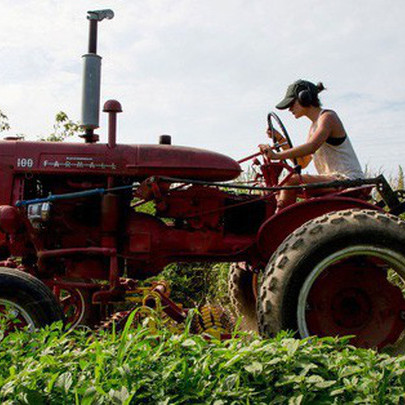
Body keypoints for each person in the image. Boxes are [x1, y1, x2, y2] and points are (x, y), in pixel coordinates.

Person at [259, 79, 364, 211]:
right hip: (332, 179)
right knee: (276, 187)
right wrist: (280, 139)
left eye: (292, 103)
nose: (289, 109)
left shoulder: (328, 117)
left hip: (347, 179)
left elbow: (311, 146)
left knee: (290, 182)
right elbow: (302, 162)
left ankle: (279, 226)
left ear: (305, 98)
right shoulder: (313, 128)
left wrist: (276, 155)